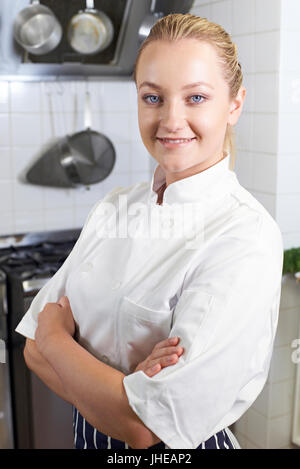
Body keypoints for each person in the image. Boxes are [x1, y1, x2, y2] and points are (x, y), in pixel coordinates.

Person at [15, 13, 283, 450]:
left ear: (234, 105)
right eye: (153, 98)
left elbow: (146, 429)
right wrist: (119, 392)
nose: (171, 121)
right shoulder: (113, 207)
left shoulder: (243, 237)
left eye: (196, 97)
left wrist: (56, 337)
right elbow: (31, 354)